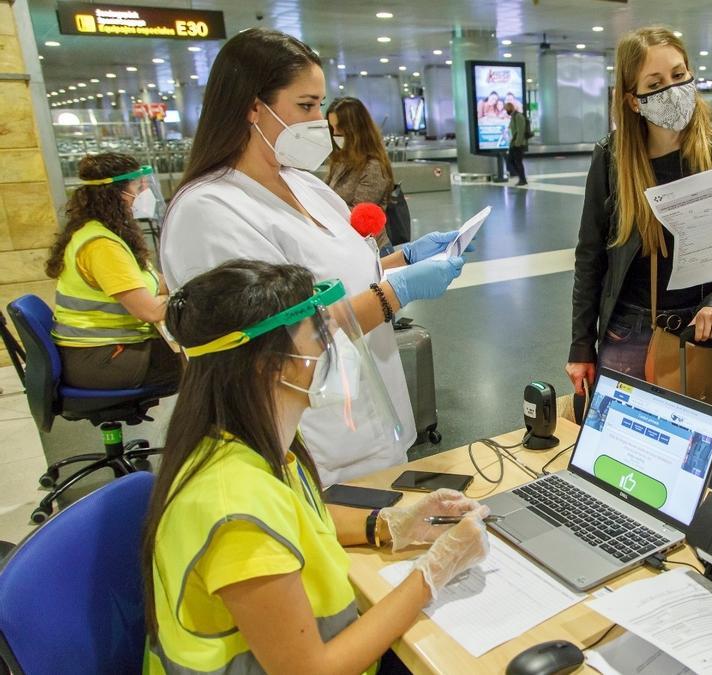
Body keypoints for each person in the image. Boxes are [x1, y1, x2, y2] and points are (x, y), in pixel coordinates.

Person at [142, 260, 489, 674]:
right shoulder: (234, 509)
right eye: (320, 336)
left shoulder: (251, 440)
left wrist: (392, 524)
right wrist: (433, 573)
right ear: (271, 364)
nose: (332, 348)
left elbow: (301, 519)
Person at [159, 28, 466, 485]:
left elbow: (337, 276)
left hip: (375, 418)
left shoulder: (305, 183)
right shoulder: (208, 212)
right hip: (311, 442)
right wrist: (393, 294)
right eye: (306, 105)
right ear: (252, 106)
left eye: (320, 104)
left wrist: (401, 260)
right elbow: (278, 336)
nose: (319, 120)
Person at [566, 26, 712, 396]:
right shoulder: (613, 158)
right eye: (655, 84)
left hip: (702, 333)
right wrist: (581, 346)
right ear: (632, 100)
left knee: (696, 451)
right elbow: (590, 257)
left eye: (679, 75)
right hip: (627, 331)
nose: (672, 90)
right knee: (622, 450)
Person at [46, 152, 180, 391]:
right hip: (100, 358)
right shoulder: (102, 245)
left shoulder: (105, 232)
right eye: (138, 188)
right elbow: (148, 311)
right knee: (210, 362)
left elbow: (151, 282)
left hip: (100, 351)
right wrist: (196, 302)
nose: (143, 195)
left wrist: (190, 283)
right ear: (116, 194)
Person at [326, 97, 396, 246]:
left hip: (371, 249)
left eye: (340, 128)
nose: (335, 134)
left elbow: (359, 216)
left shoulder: (374, 166)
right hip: (348, 244)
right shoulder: (341, 160)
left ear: (356, 129)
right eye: (332, 128)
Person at [506, 101, 529, 186]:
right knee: (511, 161)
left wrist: (517, 143)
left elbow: (520, 131)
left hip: (518, 144)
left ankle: (522, 179)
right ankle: (521, 178)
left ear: (510, 108)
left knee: (517, 161)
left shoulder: (518, 116)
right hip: (513, 143)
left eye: (506, 109)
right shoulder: (513, 117)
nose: (506, 111)